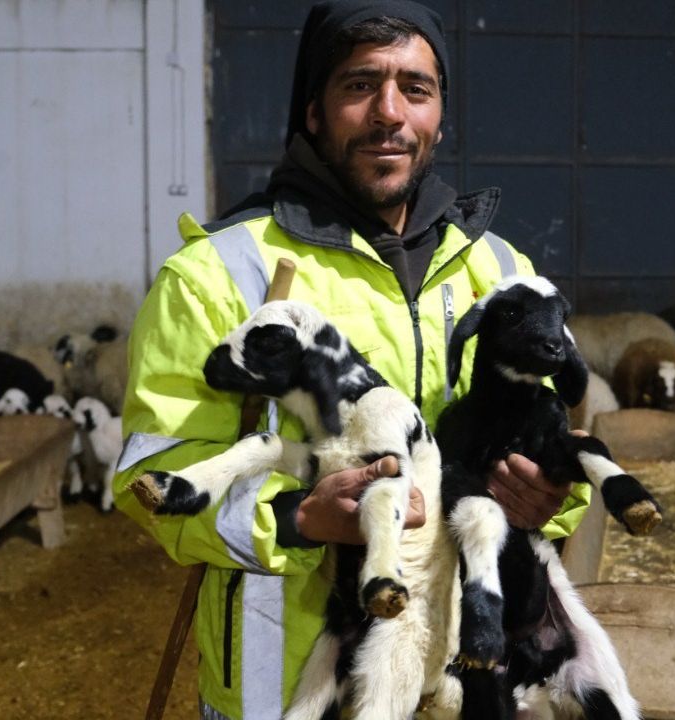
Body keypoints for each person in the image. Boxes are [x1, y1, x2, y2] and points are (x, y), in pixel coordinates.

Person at [113, 2, 591, 718]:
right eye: (360, 84)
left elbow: (559, 444)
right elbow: (152, 476)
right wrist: (300, 518)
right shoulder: (219, 276)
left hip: (457, 681)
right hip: (291, 689)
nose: (389, 112)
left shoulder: (499, 272)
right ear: (312, 109)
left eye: (415, 89)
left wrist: (548, 493)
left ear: (438, 114)